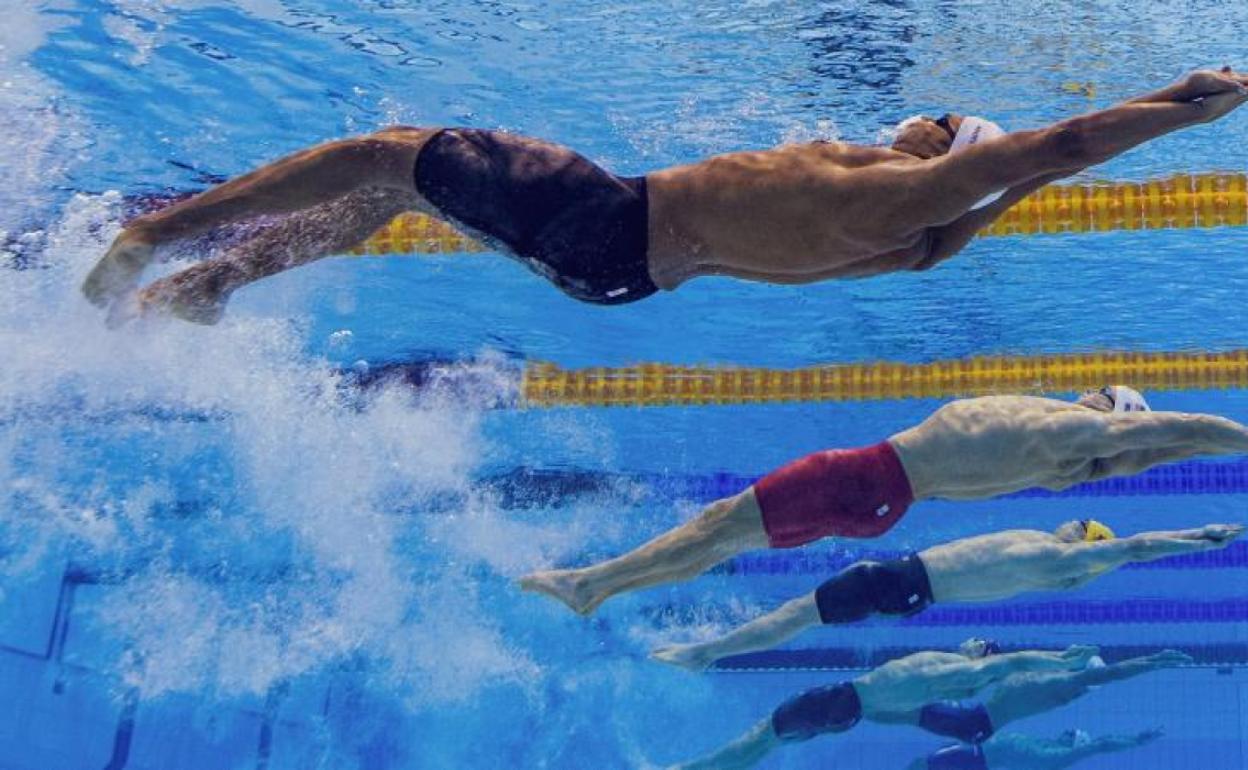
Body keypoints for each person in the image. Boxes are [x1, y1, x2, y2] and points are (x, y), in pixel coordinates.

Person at [81, 69, 1248, 323]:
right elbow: (1027, 167)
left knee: (396, 148)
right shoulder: (906, 237)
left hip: (611, 222)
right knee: (407, 194)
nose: (920, 115)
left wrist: (1194, 103)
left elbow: (1058, 145)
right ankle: (213, 284)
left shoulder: (912, 193)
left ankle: (153, 240)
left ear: (953, 150)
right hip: (622, 261)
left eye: (942, 123)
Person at [519, 386, 1248, 614]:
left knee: (719, 526)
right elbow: (1167, 447)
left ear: (1112, 412)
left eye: (1104, 396)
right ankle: (598, 587)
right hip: (886, 505)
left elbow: (1178, 429)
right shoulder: (1063, 465)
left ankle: (591, 583)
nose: (1090, 391)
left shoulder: (1069, 426)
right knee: (723, 539)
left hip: (863, 476)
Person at [651, 521, 1241, 670]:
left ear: (1086, 542)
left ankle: (705, 652)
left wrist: (1200, 537)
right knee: (799, 615)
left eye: (1080, 522)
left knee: (797, 614)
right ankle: (710, 646)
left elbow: (1135, 548)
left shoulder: (1059, 557)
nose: (1070, 520)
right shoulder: (1042, 552)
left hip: (908, 582)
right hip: (909, 585)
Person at [673, 648, 1187, 770]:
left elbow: (1112, 675)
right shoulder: (1055, 683)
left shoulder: (1070, 689)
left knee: (881, 710)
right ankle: (816, 727)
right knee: (888, 714)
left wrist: (1155, 662)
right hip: (973, 723)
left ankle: (814, 726)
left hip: (975, 725)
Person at [913, 728, 1163, 770]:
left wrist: (1136, 740)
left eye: (1071, 734)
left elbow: (1102, 744)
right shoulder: (1048, 748)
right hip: (978, 755)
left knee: (922, 765)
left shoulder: (1061, 755)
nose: (1066, 731)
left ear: (1075, 744)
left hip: (978, 759)